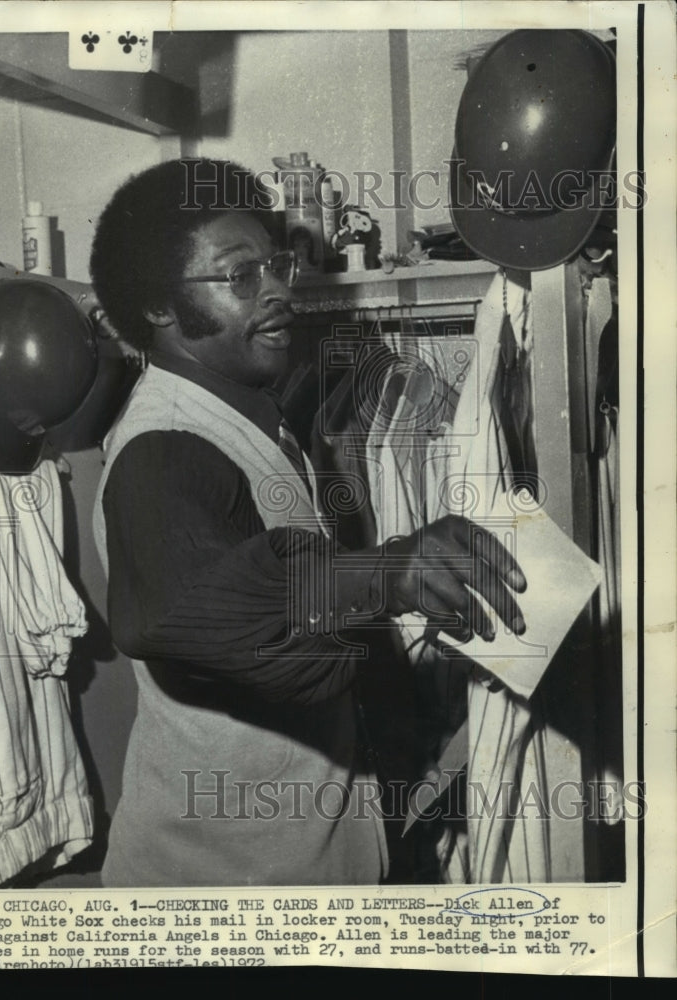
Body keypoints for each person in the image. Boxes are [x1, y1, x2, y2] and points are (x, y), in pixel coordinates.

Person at [89, 158, 526, 887]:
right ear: (159, 307)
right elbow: (173, 607)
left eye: (276, 265)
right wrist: (387, 574)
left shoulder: (251, 412)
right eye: (239, 276)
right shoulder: (163, 447)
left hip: (301, 859)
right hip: (219, 894)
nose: (278, 292)